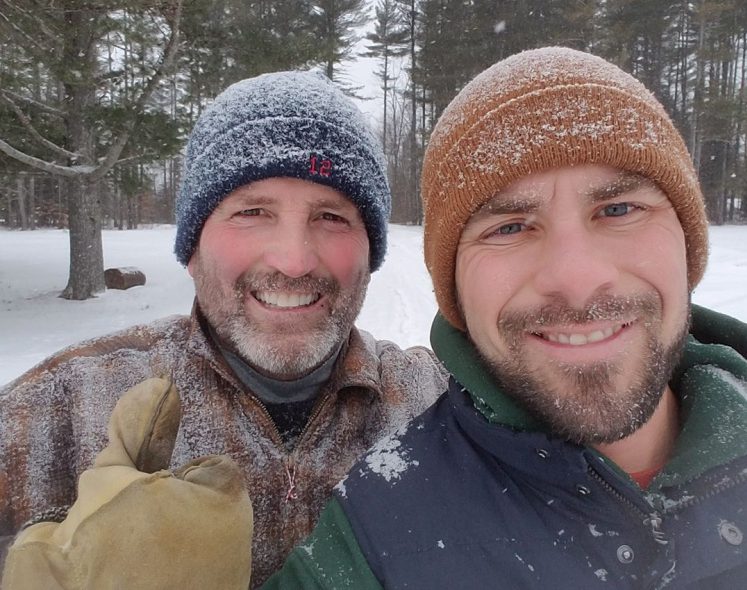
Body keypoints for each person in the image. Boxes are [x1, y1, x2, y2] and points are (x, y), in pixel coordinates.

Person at [264, 47, 747, 588]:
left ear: (687, 241)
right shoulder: (373, 532)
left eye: (618, 210)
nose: (577, 278)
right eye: (509, 227)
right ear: (456, 293)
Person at [0, 71, 447, 588]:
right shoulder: (52, 414)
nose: (295, 259)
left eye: (332, 217)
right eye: (252, 212)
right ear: (192, 247)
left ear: (371, 253)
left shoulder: (433, 408)